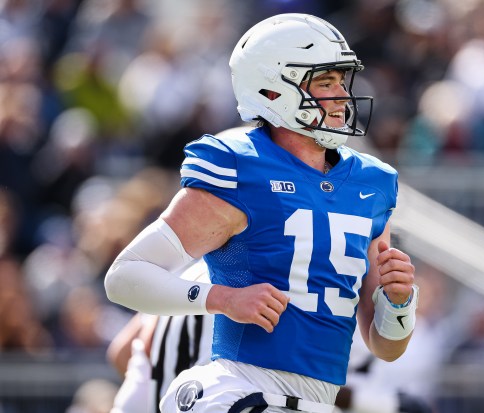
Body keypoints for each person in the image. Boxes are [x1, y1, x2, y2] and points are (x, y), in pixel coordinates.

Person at [105, 13, 418, 413]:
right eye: (325, 81)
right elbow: (125, 276)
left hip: (317, 401)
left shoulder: (370, 184)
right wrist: (222, 298)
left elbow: (385, 346)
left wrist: (399, 302)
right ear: (273, 91)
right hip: (239, 390)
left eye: (342, 80)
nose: (342, 94)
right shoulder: (240, 166)